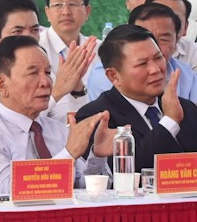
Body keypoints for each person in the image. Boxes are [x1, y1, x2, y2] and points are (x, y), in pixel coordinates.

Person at [0, 35, 114, 190]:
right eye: (32, 73)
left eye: (47, 72)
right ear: (1, 84)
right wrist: (69, 155)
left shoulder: (58, 130)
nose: (45, 82)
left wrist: (98, 157)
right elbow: (6, 191)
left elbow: (82, 188)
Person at [78, 25, 197, 173]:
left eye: (158, 58)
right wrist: (170, 121)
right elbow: (125, 173)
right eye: (142, 64)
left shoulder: (185, 108)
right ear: (113, 76)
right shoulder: (97, 117)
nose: (155, 69)